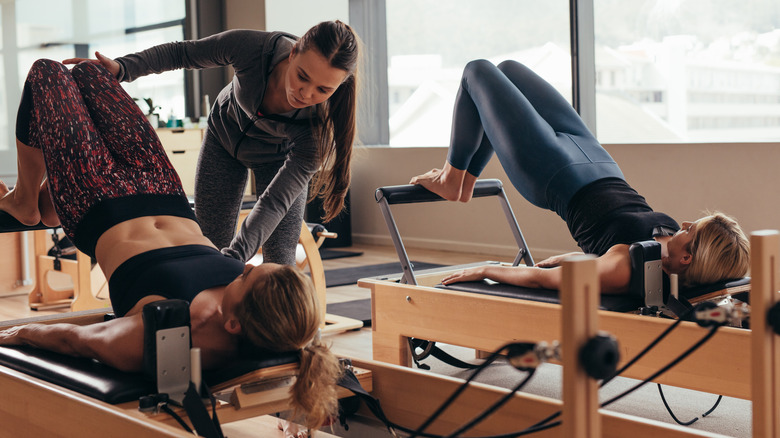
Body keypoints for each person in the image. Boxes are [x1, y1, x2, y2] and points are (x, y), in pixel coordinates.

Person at [0, 59, 340, 433]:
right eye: (255, 267)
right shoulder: (268, 311)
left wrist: (20, 333)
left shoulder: (166, 335)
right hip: (166, 192)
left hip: (98, 204)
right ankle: (48, 202)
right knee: (89, 74)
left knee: (46, 73)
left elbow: (76, 339)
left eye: (246, 279)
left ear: (232, 324)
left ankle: (27, 201)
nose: (243, 266)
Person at [410, 59, 749, 293]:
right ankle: (463, 182)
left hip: (552, 173)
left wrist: (486, 270)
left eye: (691, 230)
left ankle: (453, 180)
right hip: (595, 159)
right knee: (509, 71)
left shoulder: (627, 268)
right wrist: (577, 256)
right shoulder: (666, 246)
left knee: (477, 72)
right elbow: (597, 252)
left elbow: (545, 281)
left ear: (686, 258)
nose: (685, 223)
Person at [63, 20, 360, 265]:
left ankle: (287, 334)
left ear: (339, 85)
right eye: (302, 77)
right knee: (209, 244)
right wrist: (124, 68)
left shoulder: (316, 129)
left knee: (279, 259)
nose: (305, 94)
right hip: (223, 140)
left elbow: (273, 203)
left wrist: (236, 258)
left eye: (323, 89)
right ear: (293, 53)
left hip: (279, 159)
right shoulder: (254, 49)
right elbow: (183, 53)